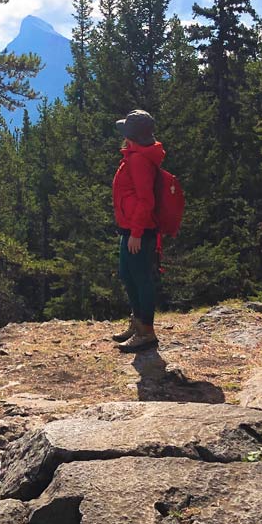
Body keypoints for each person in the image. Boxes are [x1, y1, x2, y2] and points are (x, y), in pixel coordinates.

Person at [110, 109, 166, 352]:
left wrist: (136, 232)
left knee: (140, 278)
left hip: (138, 230)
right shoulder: (135, 155)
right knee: (127, 274)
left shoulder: (139, 160)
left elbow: (146, 201)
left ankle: (147, 332)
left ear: (131, 136)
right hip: (130, 227)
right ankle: (137, 322)